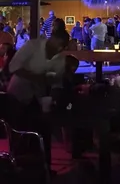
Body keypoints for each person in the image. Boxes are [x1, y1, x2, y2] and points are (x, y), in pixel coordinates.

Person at [7, 31, 70, 171]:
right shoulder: (32, 46)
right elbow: (13, 67)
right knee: (20, 131)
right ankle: (16, 167)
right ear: (50, 39)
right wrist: (36, 78)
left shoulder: (59, 58)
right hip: (18, 94)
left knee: (43, 130)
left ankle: (44, 168)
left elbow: (56, 83)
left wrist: (53, 97)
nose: (56, 50)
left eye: (60, 47)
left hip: (38, 97)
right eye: (55, 46)